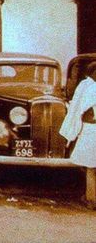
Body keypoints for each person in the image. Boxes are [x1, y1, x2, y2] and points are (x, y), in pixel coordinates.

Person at [60, 63, 96, 205]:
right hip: (90, 129)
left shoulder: (86, 87)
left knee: (90, 166)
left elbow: (79, 110)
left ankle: (91, 199)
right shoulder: (88, 87)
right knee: (91, 165)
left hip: (90, 129)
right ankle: (90, 197)